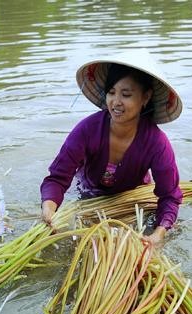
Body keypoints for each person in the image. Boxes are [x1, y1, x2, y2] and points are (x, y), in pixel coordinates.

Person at [40, 52, 183, 246]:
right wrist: (49, 208)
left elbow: (169, 196)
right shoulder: (87, 129)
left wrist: (158, 234)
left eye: (126, 95)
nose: (115, 102)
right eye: (111, 92)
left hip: (133, 200)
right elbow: (57, 178)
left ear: (146, 97)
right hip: (89, 195)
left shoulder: (156, 142)